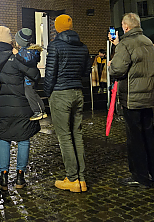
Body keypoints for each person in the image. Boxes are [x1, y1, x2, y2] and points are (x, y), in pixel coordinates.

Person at [108, 12, 154, 188]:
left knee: (135, 138)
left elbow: (117, 69)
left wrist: (111, 65)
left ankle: (140, 176)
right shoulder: (147, 42)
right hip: (148, 95)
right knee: (149, 135)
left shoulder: (126, 44)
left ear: (125, 27)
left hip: (132, 97)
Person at [0, 26, 40, 191]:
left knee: (4, 139)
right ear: (9, 40)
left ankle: (3, 177)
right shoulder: (15, 57)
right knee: (23, 140)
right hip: (20, 104)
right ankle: (20, 177)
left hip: (2, 105)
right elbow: (34, 74)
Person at [44, 14, 90, 193]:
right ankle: (81, 179)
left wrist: (48, 93)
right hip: (77, 91)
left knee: (64, 137)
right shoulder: (83, 47)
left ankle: (72, 178)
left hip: (60, 93)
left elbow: (50, 73)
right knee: (77, 134)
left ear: (57, 28)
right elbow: (86, 71)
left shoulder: (55, 45)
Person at [14, 28, 47, 120]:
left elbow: (27, 59)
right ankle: (38, 111)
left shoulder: (27, 52)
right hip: (29, 77)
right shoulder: (29, 51)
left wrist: (17, 55)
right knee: (30, 94)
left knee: (31, 94)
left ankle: (39, 111)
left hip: (29, 79)